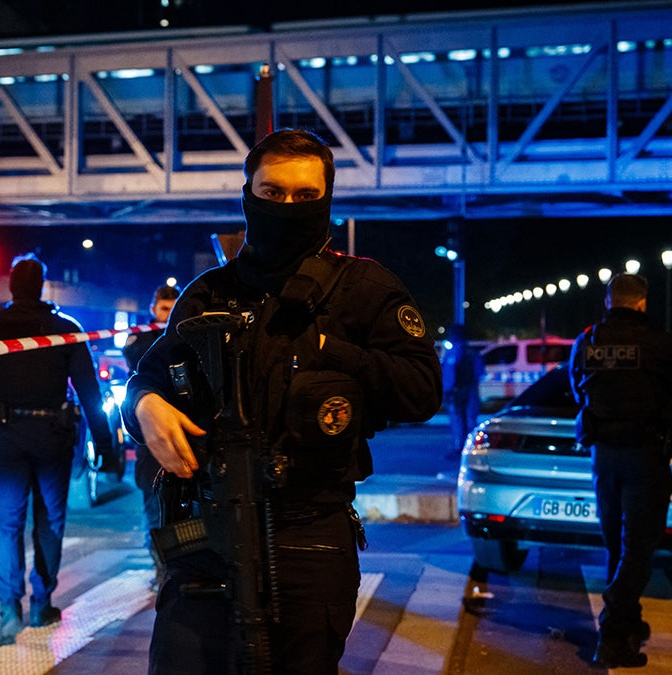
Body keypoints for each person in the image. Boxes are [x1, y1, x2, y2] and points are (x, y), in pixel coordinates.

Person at [122, 128, 442, 674]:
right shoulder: (208, 294)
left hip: (309, 535)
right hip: (208, 531)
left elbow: (420, 390)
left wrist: (329, 351)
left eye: (305, 196)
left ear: (328, 199)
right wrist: (144, 406)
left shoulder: (362, 288)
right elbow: (146, 380)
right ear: (248, 195)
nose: (288, 207)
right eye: (273, 193)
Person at [0, 254, 115, 646]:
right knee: (49, 521)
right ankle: (42, 604)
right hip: (52, 434)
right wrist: (105, 443)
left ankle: (8, 611)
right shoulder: (64, 330)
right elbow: (90, 392)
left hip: (7, 435)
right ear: (42, 286)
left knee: (8, 524)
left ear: (12, 286)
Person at [568, 273, 672, 669]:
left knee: (617, 545)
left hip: (604, 456)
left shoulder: (587, 341)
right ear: (642, 303)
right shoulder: (659, 344)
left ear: (610, 301)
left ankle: (627, 621)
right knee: (639, 548)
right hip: (645, 455)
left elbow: (578, 387)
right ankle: (612, 633)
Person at [123, 283, 180, 584]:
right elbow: (135, 358)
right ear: (153, 309)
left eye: (173, 310)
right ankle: (161, 564)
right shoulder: (142, 336)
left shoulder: (185, 330)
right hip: (150, 433)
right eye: (163, 310)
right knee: (153, 504)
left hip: (182, 425)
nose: (168, 316)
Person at [440, 323, 484, 457]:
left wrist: (446, 391)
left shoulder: (452, 353)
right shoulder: (473, 353)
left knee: (458, 421)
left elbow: (449, 376)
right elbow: (479, 373)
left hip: (457, 392)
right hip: (471, 391)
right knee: (470, 421)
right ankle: (471, 449)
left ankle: (460, 448)